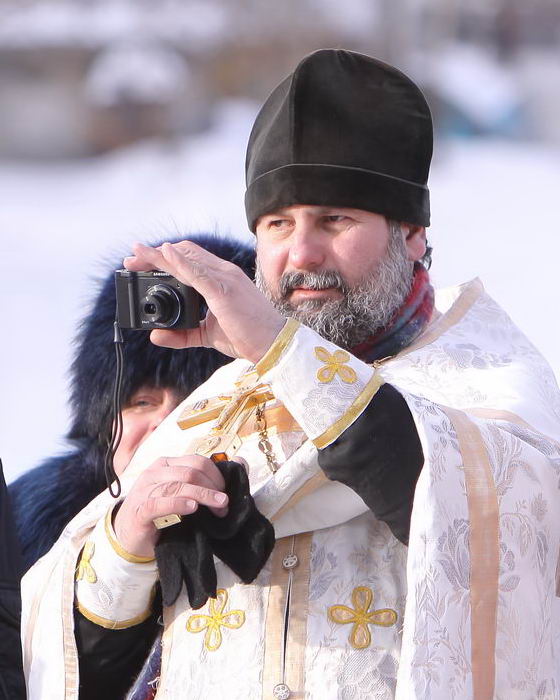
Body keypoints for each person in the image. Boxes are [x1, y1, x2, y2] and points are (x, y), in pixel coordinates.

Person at [22, 49, 560, 700]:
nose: (302, 253)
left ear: (412, 234)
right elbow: (75, 650)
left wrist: (281, 351)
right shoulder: (218, 401)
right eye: (278, 224)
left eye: (335, 220)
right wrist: (126, 546)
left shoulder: (488, 381)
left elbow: (490, 534)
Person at [9, 234, 256, 574]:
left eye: (199, 402)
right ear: (103, 425)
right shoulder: (17, 527)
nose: (165, 422)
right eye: (142, 402)